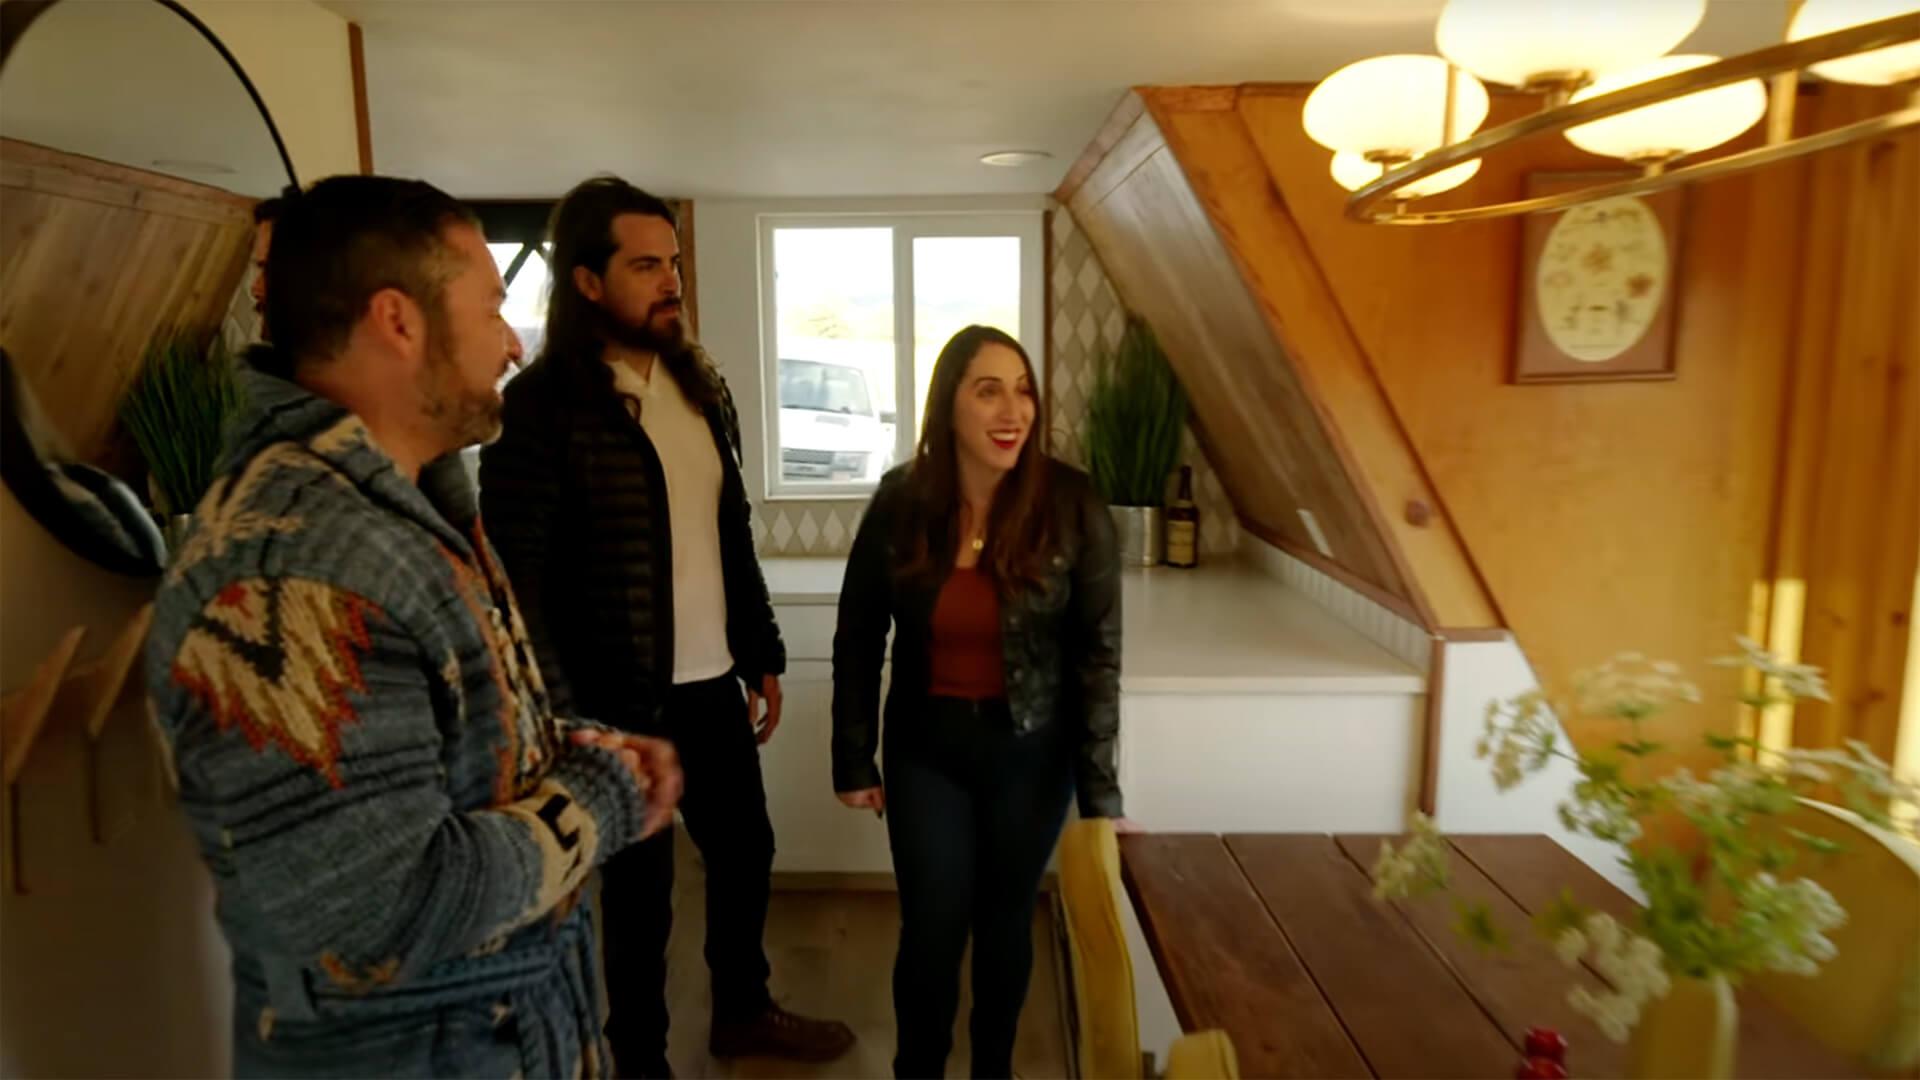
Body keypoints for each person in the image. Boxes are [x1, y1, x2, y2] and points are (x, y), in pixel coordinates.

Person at [146, 174, 684, 1078]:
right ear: (399, 321)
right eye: (492, 309)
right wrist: (598, 796)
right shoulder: (296, 574)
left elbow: (456, 741)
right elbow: (390, 911)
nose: (512, 345)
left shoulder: (401, 508)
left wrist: (571, 747)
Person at [480, 176, 855, 1076]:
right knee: (640, 893)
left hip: (711, 680)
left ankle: (742, 1011)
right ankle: (639, 1056)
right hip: (614, 698)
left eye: (673, 262)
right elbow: (515, 585)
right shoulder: (538, 409)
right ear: (587, 281)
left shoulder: (699, 384)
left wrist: (760, 649)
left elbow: (731, 535)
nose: (670, 281)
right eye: (645, 265)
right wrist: (565, 716)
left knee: (746, 850)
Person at [833, 324, 1128, 1080]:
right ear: (950, 407)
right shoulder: (903, 499)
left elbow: (1098, 657)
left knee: (1004, 927)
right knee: (932, 930)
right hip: (926, 749)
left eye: (1023, 390)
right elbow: (860, 631)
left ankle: (992, 1071)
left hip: (1031, 753)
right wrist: (853, 754)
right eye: (988, 389)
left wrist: (1101, 797)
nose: (1012, 410)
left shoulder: (1073, 503)